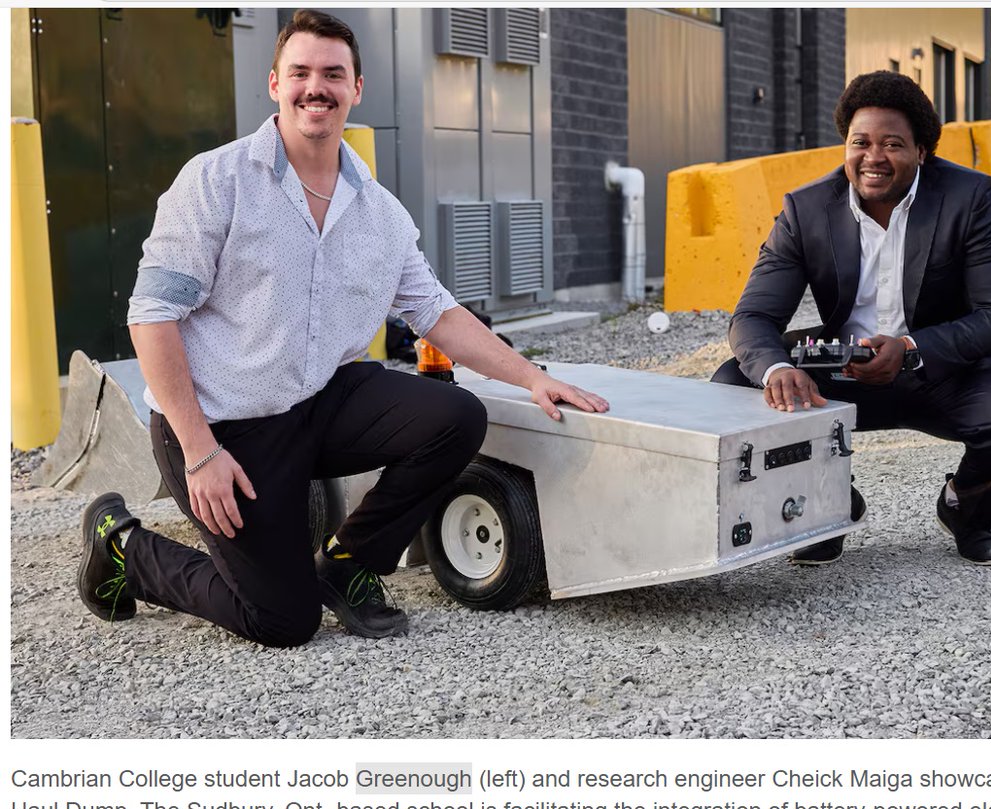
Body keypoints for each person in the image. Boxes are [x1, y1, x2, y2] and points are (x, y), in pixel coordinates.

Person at [74, 10, 608, 647]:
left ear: (357, 88)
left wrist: (532, 379)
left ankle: (350, 562)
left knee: (457, 416)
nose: (315, 87)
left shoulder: (377, 210)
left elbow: (435, 311)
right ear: (274, 84)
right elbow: (152, 317)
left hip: (319, 404)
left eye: (333, 73)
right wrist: (200, 453)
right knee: (281, 620)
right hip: (226, 428)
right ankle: (124, 549)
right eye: (299, 72)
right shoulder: (216, 183)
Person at [713, 71, 991, 566]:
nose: (873, 157)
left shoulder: (971, 198)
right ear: (845, 146)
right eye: (860, 142)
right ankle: (827, 510)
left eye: (893, 144)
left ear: (922, 151)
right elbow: (754, 316)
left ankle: (967, 511)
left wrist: (913, 349)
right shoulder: (805, 210)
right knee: (734, 385)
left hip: (945, 369)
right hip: (842, 373)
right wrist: (778, 370)